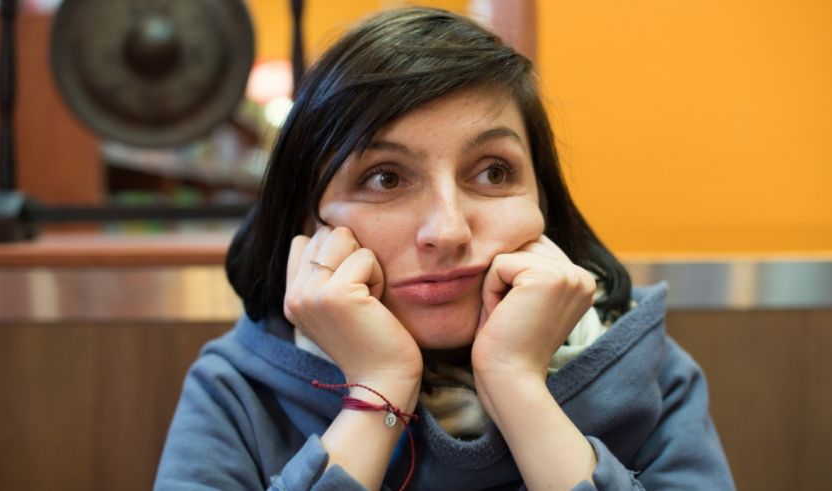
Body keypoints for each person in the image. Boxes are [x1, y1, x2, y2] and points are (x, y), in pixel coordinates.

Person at [155, 7, 735, 490]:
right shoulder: (236, 391)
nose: (448, 230)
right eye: (385, 178)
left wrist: (516, 384)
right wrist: (378, 390)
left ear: (543, 202)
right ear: (309, 222)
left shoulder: (648, 372)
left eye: (492, 172)